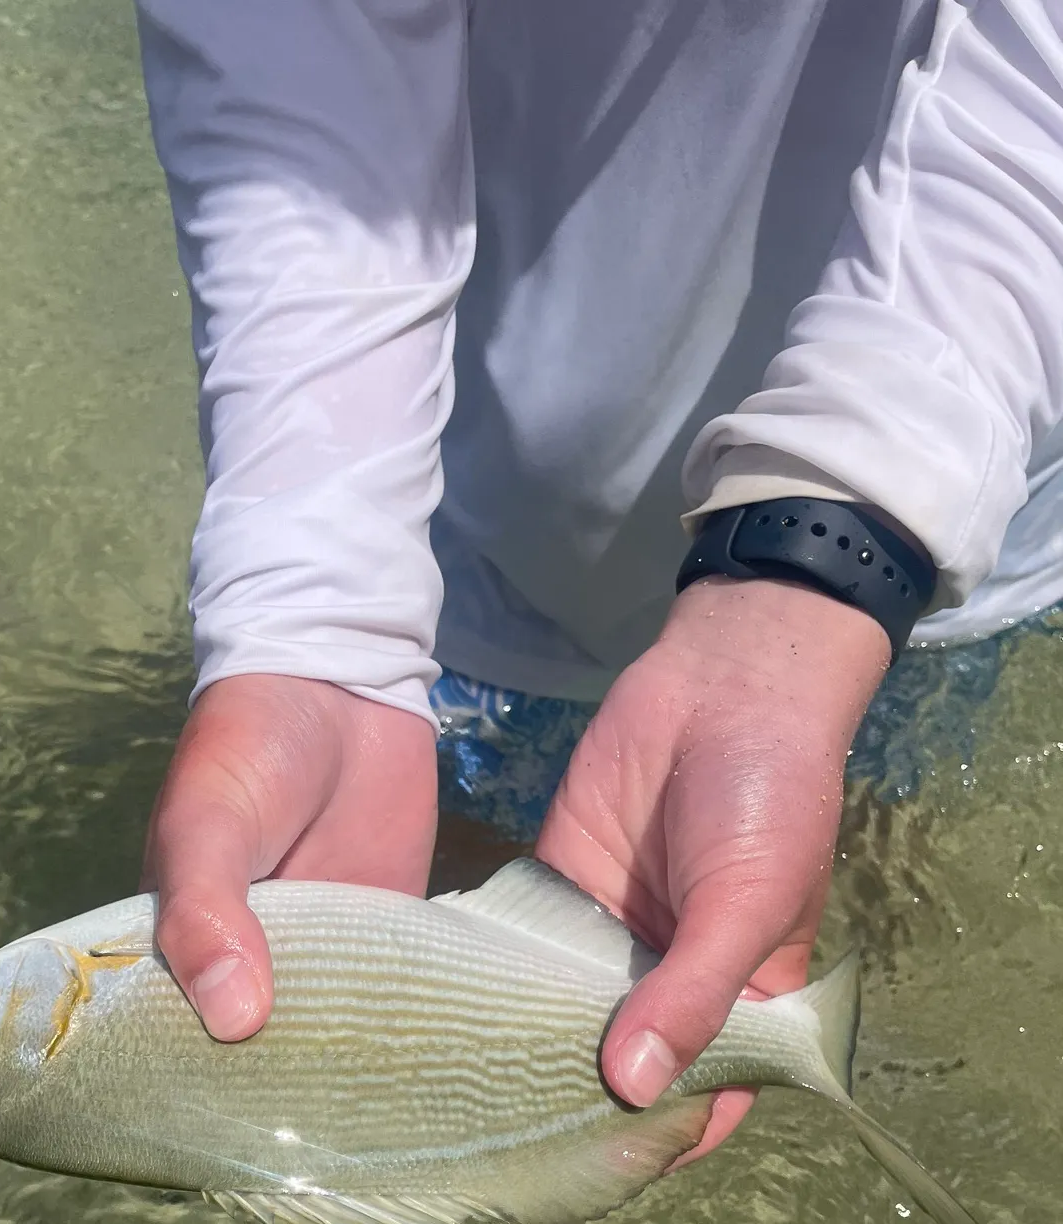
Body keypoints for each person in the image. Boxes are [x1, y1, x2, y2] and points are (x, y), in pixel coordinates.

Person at [131, 0, 1063, 1162]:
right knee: (473, 873)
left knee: (854, 861)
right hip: (479, 508)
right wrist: (317, 608)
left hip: (930, 516)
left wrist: (824, 561)